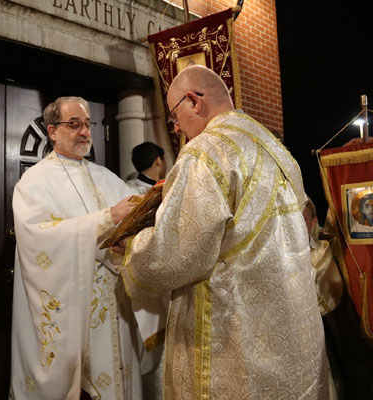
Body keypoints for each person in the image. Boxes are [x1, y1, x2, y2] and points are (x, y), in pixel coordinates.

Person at [114, 65, 330, 398]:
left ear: (193, 101)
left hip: (236, 345)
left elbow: (176, 255)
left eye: (175, 117)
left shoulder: (206, 152)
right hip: (292, 339)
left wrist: (132, 245)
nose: (178, 128)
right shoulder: (277, 150)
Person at [10, 96, 144, 399]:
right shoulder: (34, 183)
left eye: (87, 124)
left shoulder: (107, 177)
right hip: (76, 310)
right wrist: (107, 219)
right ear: (53, 131)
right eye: (74, 124)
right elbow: (38, 240)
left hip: (116, 302)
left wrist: (129, 239)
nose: (84, 131)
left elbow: (132, 230)